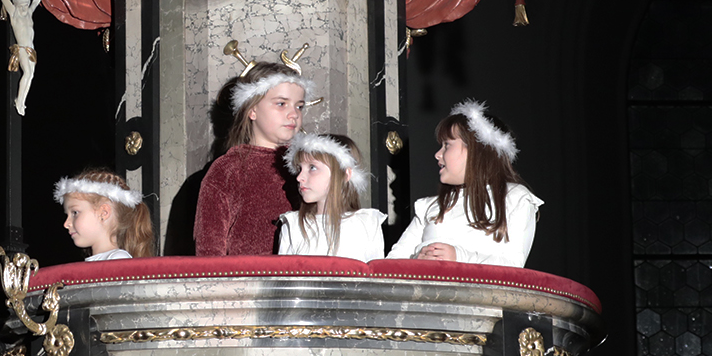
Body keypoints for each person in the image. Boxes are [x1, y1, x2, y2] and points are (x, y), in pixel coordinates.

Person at [389, 99, 542, 267]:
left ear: (477, 151)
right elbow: (392, 263)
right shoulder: (429, 207)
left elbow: (514, 264)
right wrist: (416, 260)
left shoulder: (515, 198)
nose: (437, 154)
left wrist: (458, 256)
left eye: (447, 145)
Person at [194, 61, 314, 255]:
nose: (294, 114)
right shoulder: (227, 169)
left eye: (299, 106)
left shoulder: (310, 164)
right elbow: (209, 251)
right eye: (281, 104)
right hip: (247, 274)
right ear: (252, 110)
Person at [277, 132, 385, 261]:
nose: (299, 177)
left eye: (312, 167)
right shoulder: (293, 225)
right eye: (300, 169)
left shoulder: (366, 224)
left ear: (345, 174)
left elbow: (373, 272)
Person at [55, 169, 156, 260]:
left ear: (103, 213)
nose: (66, 224)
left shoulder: (117, 259)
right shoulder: (102, 260)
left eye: (75, 213)